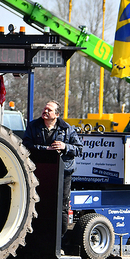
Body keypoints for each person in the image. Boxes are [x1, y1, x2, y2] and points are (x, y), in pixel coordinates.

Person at [23, 100, 82, 237]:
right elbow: (26, 146)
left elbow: (79, 149)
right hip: (39, 171)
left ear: (57, 114)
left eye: (49, 110)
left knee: (62, 207)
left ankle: (59, 239)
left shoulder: (67, 129)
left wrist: (65, 147)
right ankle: (37, 237)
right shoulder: (33, 126)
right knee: (38, 203)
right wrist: (46, 149)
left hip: (63, 173)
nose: (45, 111)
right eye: (44, 109)